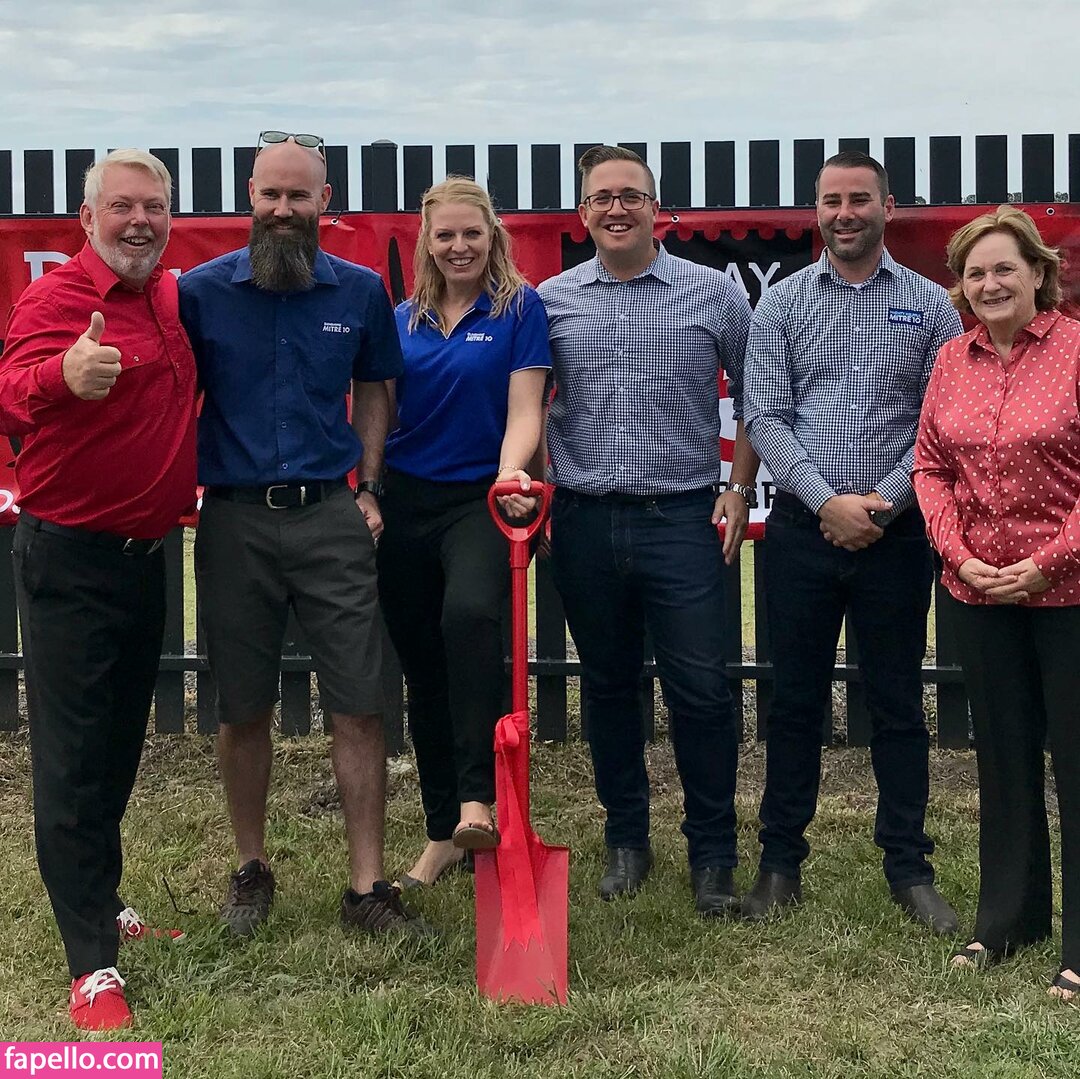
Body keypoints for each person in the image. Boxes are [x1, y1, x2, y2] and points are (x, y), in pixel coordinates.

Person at [178, 131, 421, 937]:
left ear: (326, 202)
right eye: (271, 194)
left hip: (330, 517)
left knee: (359, 701)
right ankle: (250, 870)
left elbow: (376, 388)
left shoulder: (359, 293)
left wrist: (370, 486)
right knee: (242, 704)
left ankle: (366, 888)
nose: (283, 209)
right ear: (250, 196)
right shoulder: (200, 294)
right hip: (235, 518)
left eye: (299, 195)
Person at [0, 149, 196, 1030]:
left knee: (117, 745)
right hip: (70, 561)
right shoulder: (56, 301)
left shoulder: (168, 298)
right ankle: (90, 964)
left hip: (144, 557)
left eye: (153, 207)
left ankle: (102, 898)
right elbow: (7, 396)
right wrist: (61, 377)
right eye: (122, 206)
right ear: (87, 219)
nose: (139, 221)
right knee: (73, 759)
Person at [742, 151, 962, 931]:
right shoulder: (781, 304)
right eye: (832, 200)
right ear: (817, 209)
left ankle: (909, 867)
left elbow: (940, 421)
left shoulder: (932, 306)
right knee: (794, 701)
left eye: (859, 199)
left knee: (897, 703)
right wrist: (828, 502)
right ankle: (779, 863)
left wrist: (884, 502)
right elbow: (765, 415)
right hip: (804, 532)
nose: (845, 213)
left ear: (887, 207)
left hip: (896, 536)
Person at [538, 145, 759, 914]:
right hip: (585, 520)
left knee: (701, 689)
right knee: (608, 687)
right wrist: (536, 488)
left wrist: (739, 487)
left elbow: (757, 394)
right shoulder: (551, 300)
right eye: (602, 197)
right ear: (583, 214)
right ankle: (626, 839)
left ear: (656, 209)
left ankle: (713, 853)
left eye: (631, 195)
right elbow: (527, 402)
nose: (617, 208)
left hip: (682, 519)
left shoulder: (715, 293)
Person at [913, 206, 1080, 1001]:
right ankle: (1009, 919)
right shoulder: (953, 359)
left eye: (1004, 267)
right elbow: (929, 466)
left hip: (1070, 591)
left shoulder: (1077, 349)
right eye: (975, 272)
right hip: (977, 591)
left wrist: (1047, 564)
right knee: (1004, 761)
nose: (989, 283)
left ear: (1038, 273)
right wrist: (961, 555)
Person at [376, 177, 550, 887]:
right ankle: (443, 831)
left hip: (482, 498)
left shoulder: (519, 309)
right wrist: (368, 489)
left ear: (492, 236)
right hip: (406, 502)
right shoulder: (400, 319)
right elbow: (379, 414)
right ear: (426, 241)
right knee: (423, 667)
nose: (458, 246)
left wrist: (511, 473)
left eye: (471, 233)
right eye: (444, 235)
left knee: (471, 619)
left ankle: (479, 799)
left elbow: (526, 407)